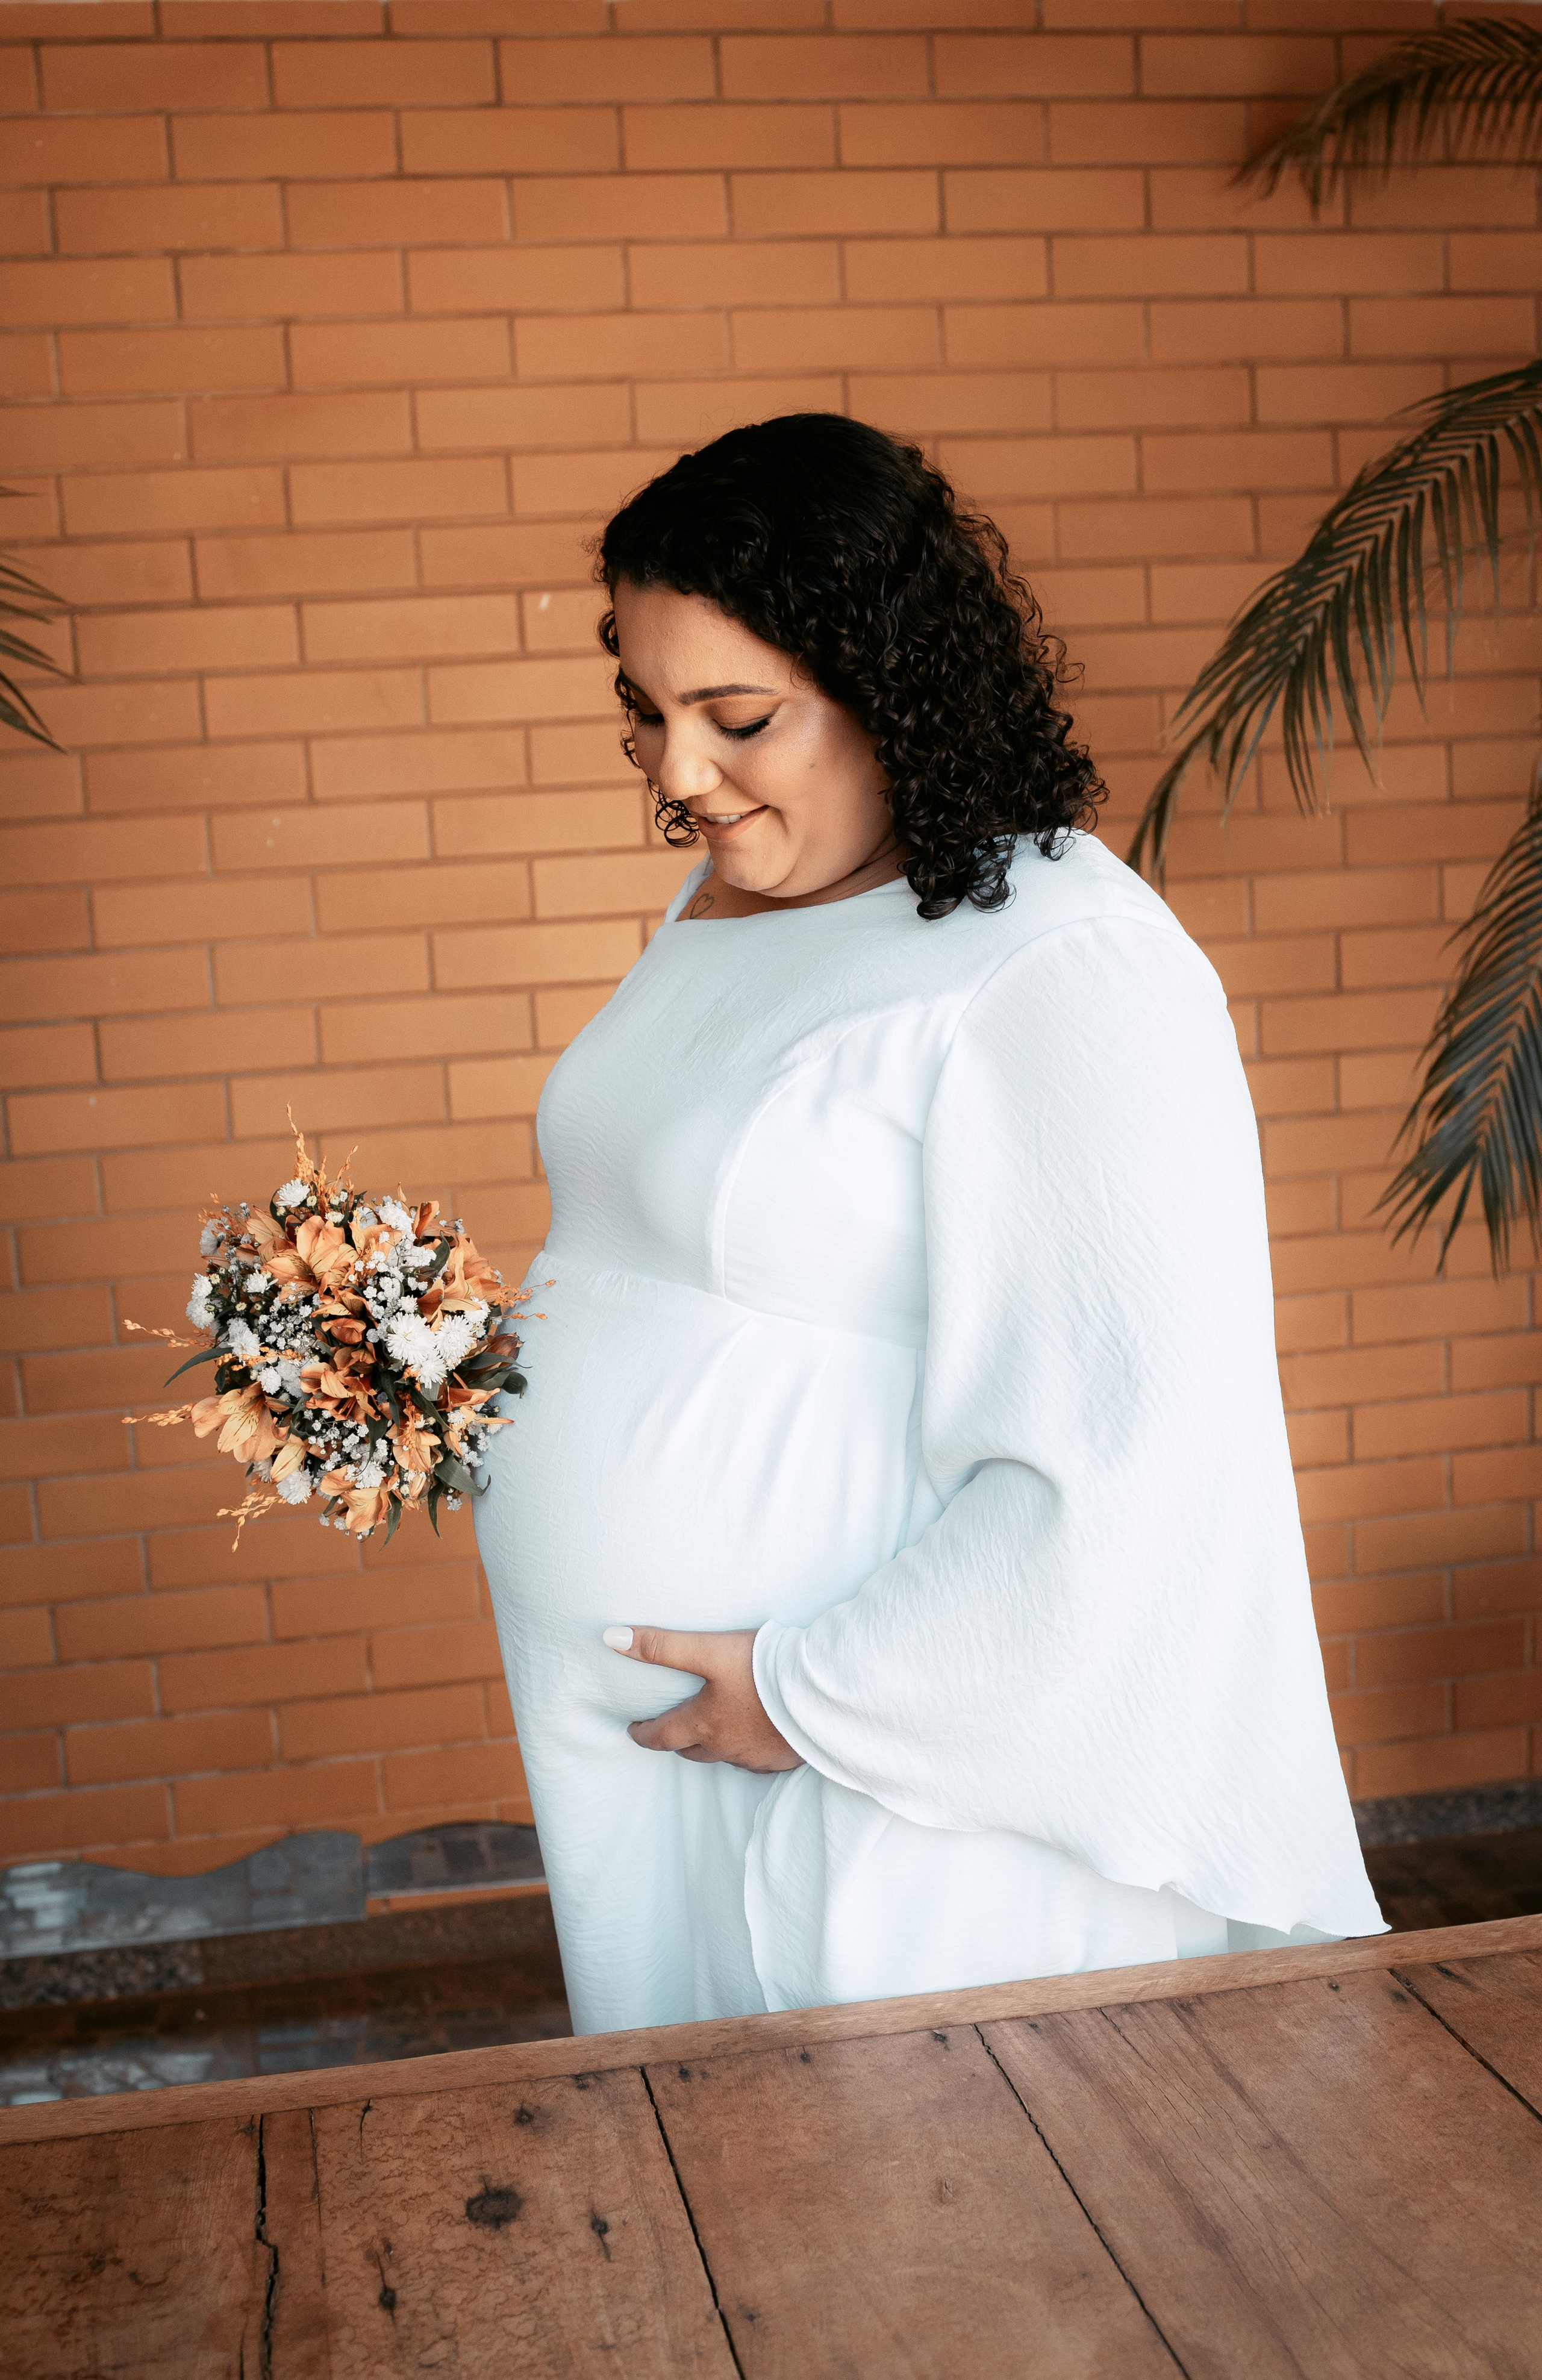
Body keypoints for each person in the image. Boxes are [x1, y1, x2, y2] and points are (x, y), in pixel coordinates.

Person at [474, 412, 1384, 2037]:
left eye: (734, 716)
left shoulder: (1066, 964)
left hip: (890, 1789)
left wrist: (816, 1699)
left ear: (892, 685)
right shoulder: (743, 901)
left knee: (934, 2236)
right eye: (648, 709)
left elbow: (1142, 1444)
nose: (680, 775)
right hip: (669, 1759)